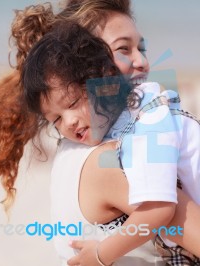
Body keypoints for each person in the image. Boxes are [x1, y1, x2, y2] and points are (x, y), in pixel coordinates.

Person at [0, 0, 200, 264]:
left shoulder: (80, 147)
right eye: (123, 50)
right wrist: (103, 254)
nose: (141, 62)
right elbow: (167, 213)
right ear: (89, 62)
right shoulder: (112, 155)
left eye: (141, 48)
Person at [22, 18, 200, 265]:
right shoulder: (110, 136)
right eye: (56, 120)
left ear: (104, 76)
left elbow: (160, 208)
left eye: (73, 103)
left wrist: (100, 254)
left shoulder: (146, 122)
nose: (69, 122)